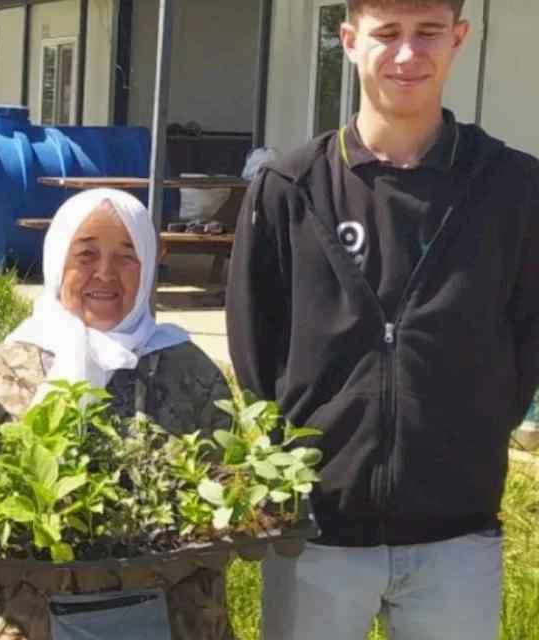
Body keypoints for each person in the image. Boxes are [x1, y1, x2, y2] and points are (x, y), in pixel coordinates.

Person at [226, 1, 539, 638]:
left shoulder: (512, 188)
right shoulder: (292, 186)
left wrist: (470, 435)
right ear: (347, 40)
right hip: (316, 534)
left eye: (427, 33)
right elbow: (256, 347)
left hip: (456, 533)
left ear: (458, 39)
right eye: (386, 33)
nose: (407, 54)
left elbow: (528, 335)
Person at [0, 188, 235, 640]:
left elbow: (232, 495)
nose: (106, 274)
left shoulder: (188, 370)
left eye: (127, 256)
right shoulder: (3, 370)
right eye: (86, 253)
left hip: (173, 619)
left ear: (149, 267)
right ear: (57, 261)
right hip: (26, 622)